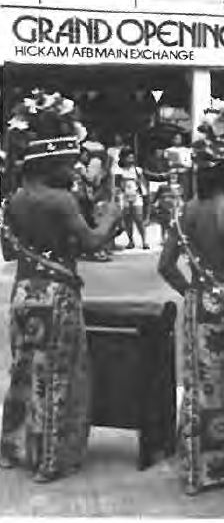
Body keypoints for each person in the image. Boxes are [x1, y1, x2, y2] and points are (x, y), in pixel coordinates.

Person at [1, 90, 123, 481]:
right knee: (58, 377)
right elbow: (90, 242)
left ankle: (15, 447)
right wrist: (110, 218)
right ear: (53, 160)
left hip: (22, 294)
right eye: (69, 161)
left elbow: (7, 252)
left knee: (23, 373)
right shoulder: (61, 200)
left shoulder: (14, 200)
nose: (74, 169)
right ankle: (52, 460)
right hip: (57, 296)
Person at [157, 98, 224, 496]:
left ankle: (194, 462)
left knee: (198, 385)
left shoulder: (185, 211)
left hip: (197, 307)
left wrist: (192, 292)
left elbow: (166, 266)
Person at [113, 148, 149, 250]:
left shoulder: (138, 170)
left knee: (138, 219)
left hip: (136, 195)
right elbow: (117, 185)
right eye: (128, 156)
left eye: (132, 156)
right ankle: (130, 240)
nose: (131, 158)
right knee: (128, 219)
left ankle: (144, 240)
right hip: (124, 196)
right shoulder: (119, 171)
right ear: (123, 158)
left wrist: (144, 194)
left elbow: (143, 183)